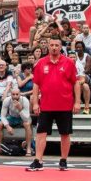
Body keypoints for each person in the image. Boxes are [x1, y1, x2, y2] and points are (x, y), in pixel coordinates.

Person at [26, 36, 78, 172]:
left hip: (65, 105)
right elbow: (36, 84)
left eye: (57, 45)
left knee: (65, 134)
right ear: (48, 46)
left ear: (61, 47)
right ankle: (38, 161)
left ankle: (64, 160)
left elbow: (76, 82)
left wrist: (78, 102)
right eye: (52, 45)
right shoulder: (40, 63)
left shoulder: (69, 63)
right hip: (46, 105)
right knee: (41, 133)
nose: (54, 47)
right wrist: (36, 103)